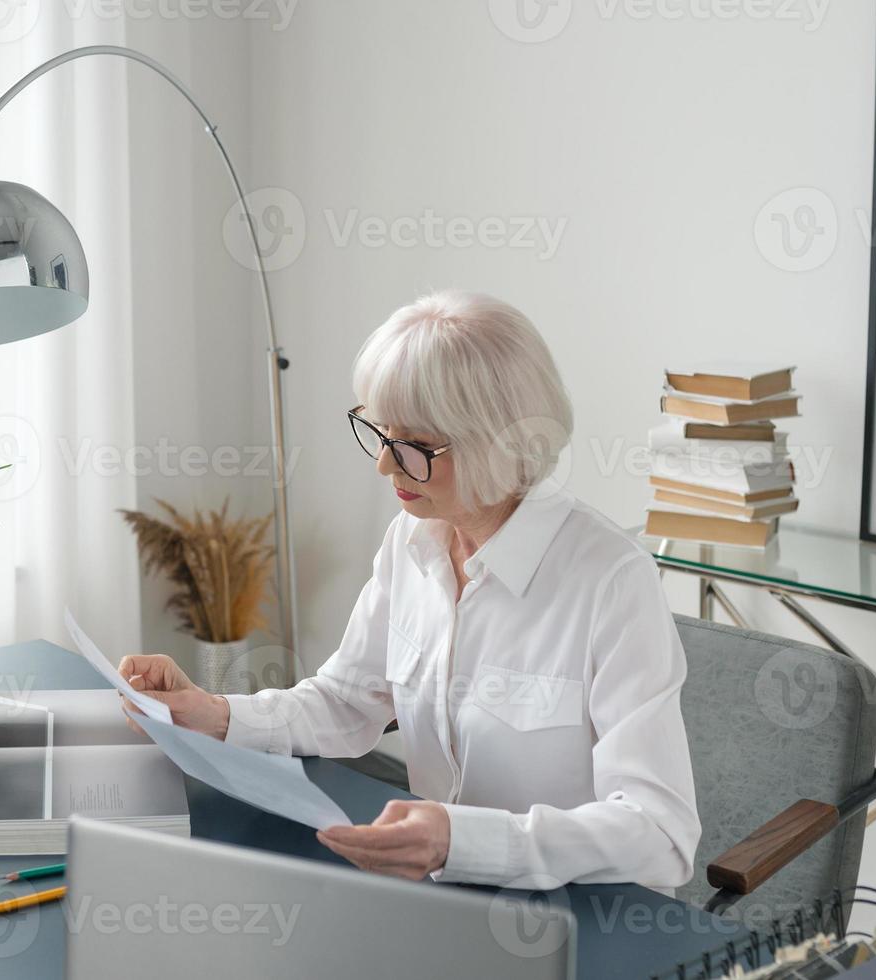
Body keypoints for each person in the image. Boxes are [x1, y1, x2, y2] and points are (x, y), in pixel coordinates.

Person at [119, 290, 701, 891]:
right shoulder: (414, 540)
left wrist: (463, 842)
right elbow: (348, 701)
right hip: (439, 897)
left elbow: (660, 836)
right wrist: (214, 714)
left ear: (498, 444)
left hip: (581, 917)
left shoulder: (611, 579)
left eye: (415, 447)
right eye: (380, 431)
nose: (384, 466)